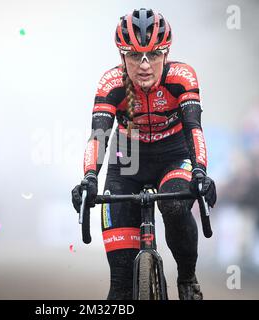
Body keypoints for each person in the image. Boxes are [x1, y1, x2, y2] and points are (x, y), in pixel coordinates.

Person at [71, 8, 217, 300]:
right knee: (121, 286)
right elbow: (99, 135)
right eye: (135, 56)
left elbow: (194, 128)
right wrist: (89, 178)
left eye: (154, 54)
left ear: (166, 53)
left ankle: (187, 278)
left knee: (175, 206)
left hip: (173, 155)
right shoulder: (111, 83)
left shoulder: (182, 77)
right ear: (122, 57)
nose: (145, 65)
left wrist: (200, 171)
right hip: (128, 160)